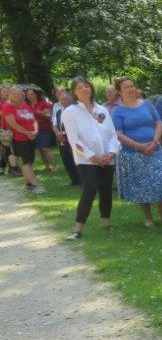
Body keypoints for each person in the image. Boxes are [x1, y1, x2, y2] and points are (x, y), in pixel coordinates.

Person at [112, 77, 162, 226]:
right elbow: (119, 134)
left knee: (160, 182)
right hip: (133, 154)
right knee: (140, 186)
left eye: (132, 86)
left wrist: (155, 141)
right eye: (126, 87)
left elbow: (158, 123)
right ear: (119, 91)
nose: (130, 89)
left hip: (155, 150)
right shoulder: (118, 111)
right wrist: (138, 146)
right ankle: (148, 218)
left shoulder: (147, 104)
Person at [62, 77, 119, 238]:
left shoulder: (102, 109)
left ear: (91, 88)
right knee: (90, 188)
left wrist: (111, 152)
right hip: (86, 159)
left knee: (106, 190)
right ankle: (78, 228)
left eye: (86, 86)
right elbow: (74, 140)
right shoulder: (70, 112)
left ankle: (106, 223)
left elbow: (112, 134)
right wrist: (94, 158)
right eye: (79, 88)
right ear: (74, 92)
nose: (84, 90)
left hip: (106, 157)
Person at [2, 86, 44, 192]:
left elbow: (33, 119)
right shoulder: (7, 106)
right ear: (10, 95)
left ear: (22, 95)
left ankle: (28, 184)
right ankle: (35, 185)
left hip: (31, 136)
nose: (17, 96)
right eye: (14, 94)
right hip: (19, 138)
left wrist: (35, 130)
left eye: (19, 94)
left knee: (29, 161)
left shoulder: (24, 105)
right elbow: (13, 124)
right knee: (26, 162)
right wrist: (27, 133)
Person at [51, 89, 81, 185]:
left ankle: (82, 179)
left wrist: (64, 134)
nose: (63, 101)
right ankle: (74, 180)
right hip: (61, 140)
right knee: (66, 160)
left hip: (71, 139)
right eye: (61, 100)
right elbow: (54, 125)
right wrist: (57, 133)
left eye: (66, 99)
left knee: (75, 159)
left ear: (70, 99)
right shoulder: (58, 112)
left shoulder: (75, 111)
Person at [24, 86, 57, 173]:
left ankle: (54, 166)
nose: (30, 96)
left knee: (46, 148)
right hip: (33, 130)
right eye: (28, 94)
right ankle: (47, 166)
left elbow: (48, 116)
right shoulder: (26, 105)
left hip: (45, 128)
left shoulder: (43, 103)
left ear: (36, 94)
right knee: (40, 149)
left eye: (32, 94)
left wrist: (41, 113)